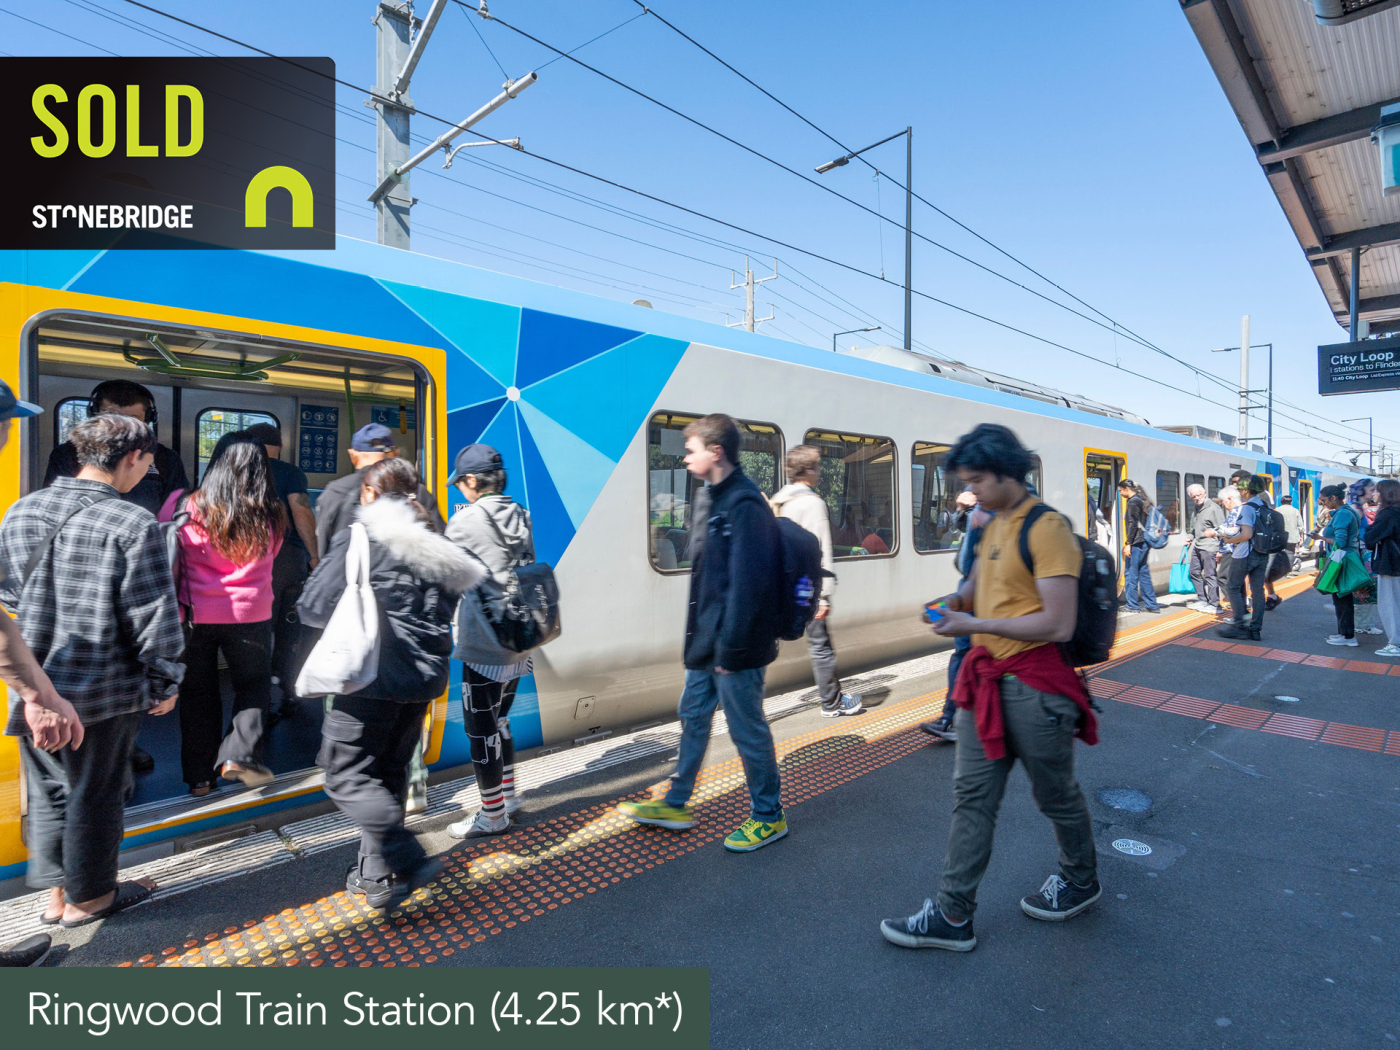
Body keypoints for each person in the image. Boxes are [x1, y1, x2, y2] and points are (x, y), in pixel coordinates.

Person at [882, 424, 1097, 952]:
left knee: (1055, 796)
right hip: (987, 688)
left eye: (977, 480)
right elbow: (974, 589)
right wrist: (949, 606)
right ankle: (952, 915)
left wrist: (974, 624)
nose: (970, 491)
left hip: (1037, 691)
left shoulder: (1047, 528)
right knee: (971, 798)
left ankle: (1080, 878)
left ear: (1006, 472)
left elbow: (1058, 623)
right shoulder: (995, 524)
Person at [1, 413, 183, 927]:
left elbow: (7, 600)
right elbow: (152, 614)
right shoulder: (132, 523)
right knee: (98, 794)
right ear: (134, 457)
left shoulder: (21, 510)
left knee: (51, 792)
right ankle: (92, 900)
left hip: (35, 686)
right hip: (104, 687)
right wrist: (165, 681)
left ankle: (56, 897)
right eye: (147, 463)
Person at [300, 458, 480, 908]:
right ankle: (376, 875)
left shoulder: (361, 536)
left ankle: (409, 858)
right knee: (390, 772)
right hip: (423, 681)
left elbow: (314, 607)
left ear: (369, 494)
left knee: (344, 776)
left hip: (371, 678)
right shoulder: (439, 544)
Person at [619, 413, 788, 853]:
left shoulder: (745, 504)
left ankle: (769, 816)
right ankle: (675, 802)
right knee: (693, 716)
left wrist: (729, 651)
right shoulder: (709, 498)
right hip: (706, 643)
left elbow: (750, 587)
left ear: (716, 452)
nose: (685, 458)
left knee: (746, 730)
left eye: (690, 450)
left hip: (735, 648)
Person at [160, 431, 285, 796]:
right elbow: (274, 554)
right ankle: (237, 756)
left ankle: (200, 780)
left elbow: (161, 545)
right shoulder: (271, 511)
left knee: (197, 695)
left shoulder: (182, 503)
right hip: (251, 616)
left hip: (193, 615)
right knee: (253, 686)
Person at [444, 444, 540, 840]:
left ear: (471, 480)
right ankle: (509, 797)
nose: (459, 489)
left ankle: (493, 814)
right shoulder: (521, 514)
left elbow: (445, 576)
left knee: (480, 729)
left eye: (459, 483)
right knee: (501, 720)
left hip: (484, 642)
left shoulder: (466, 521)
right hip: (520, 636)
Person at [770, 445, 862, 717]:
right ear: (808, 470)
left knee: (768, 643)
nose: (820, 471)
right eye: (817, 466)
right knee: (821, 645)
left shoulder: (779, 500)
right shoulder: (812, 503)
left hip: (779, 585)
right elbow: (821, 550)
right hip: (805, 587)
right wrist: (823, 596)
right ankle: (832, 702)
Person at [244, 423, 320, 710]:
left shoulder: (240, 469)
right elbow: (301, 512)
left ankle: (255, 697)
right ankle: (288, 690)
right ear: (280, 446)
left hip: (245, 556)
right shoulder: (290, 472)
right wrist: (314, 555)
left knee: (256, 627)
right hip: (286, 557)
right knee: (288, 627)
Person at [44, 380, 188, 516]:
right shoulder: (68, 454)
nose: (121, 428)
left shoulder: (165, 458)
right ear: (94, 415)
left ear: (148, 419)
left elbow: (177, 510)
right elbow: (56, 503)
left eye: (132, 420)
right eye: (111, 419)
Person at [315, 423, 443, 554]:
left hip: (344, 566)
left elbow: (323, 547)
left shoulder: (334, 492)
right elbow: (438, 541)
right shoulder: (417, 492)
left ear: (353, 454)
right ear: (395, 453)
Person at [923, 489, 988, 742]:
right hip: (971, 590)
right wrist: (946, 605)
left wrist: (973, 619)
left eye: (977, 480)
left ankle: (953, 718)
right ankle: (951, 718)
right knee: (963, 654)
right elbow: (971, 576)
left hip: (987, 601)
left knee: (968, 655)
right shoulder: (981, 511)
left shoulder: (1011, 517)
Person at [1215, 476, 1271, 641]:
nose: (1239, 492)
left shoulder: (1247, 508)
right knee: (1258, 591)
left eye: (1240, 489)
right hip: (1262, 553)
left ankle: (1239, 626)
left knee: (1232, 587)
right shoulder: (1264, 506)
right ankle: (1255, 630)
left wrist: (1229, 540)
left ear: (1246, 490)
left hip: (1246, 553)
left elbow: (1247, 534)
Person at [1317, 484, 1361, 647]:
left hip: (1341, 561)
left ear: (1334, 498)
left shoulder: (1342, 514)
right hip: (1346, 559)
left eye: (1324, 500)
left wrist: (1320, 538)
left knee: (1342, 599)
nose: (1323, 503)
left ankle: (1348, 636)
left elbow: (1340, 542)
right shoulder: (1348, 511)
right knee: (1342, 598)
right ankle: (1344, 633)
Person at [1365, 479, 1400, 658]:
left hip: (1390, 565)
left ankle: (1395, 643)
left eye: (1376, 491)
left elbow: (1370, 538)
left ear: (1386, 493)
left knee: (1390, 606)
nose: (1373, 494)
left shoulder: (1388, 514)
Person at [1119, 479, 1160, 613]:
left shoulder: (1133, 502)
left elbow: (1132, 524)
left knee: (1131, 573)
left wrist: (1128, 543)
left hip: (1136, 543)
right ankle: (1152, 605)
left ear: (1127, 489)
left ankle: (1132, 605)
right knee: (1143, 573)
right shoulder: (1141, 500)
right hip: (1144, 542)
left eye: (1120, 491)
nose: (1120, 493)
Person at [1348, 479, 1382, 636]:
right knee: (1362, 589)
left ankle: (1364, 623)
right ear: (1362, 491)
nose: (1374, 493)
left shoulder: (1358, 507)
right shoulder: (1356, 509)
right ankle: (1363, 624)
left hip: (1361, 553)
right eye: (1371, 490)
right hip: (1360, 554)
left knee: (1364, 588)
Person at [1186, 483, 1225, 614]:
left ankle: (1215, 604)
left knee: (1210, 575)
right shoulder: (1197, 508)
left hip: (1210, 547)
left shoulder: (1214, 509)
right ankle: (1202, 599)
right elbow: (1195, 526)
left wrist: (1220, 550)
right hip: (1198, 545)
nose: (1197, 498)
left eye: (1199, 495)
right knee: (1194, 572)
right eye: (1194, 497)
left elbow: (1222, 529)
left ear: (1205, 493)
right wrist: (1190, 537)